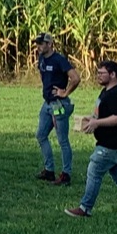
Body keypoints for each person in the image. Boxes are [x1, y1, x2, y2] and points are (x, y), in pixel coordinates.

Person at [65, 58, 117, 219]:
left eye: (102, 73)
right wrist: (90, 119)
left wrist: (97, 122)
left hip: (112, 145)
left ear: (113, 74)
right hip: (115, 145)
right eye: (97, 73)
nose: (98, 76)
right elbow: (102, 113)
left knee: (94, 170)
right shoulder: (106, 91)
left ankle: (85, 208)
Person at [32, 32, 80, 185]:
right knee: (41, 135)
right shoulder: (41, 59)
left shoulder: (59, 60)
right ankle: (49, 170)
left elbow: (76, 78)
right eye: (37, 43)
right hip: (47, 103)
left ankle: (66, 175)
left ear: (49, 44)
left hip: (58, 104)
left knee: (62, 140)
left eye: (41, 43)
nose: (38, 46)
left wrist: (64, 92)